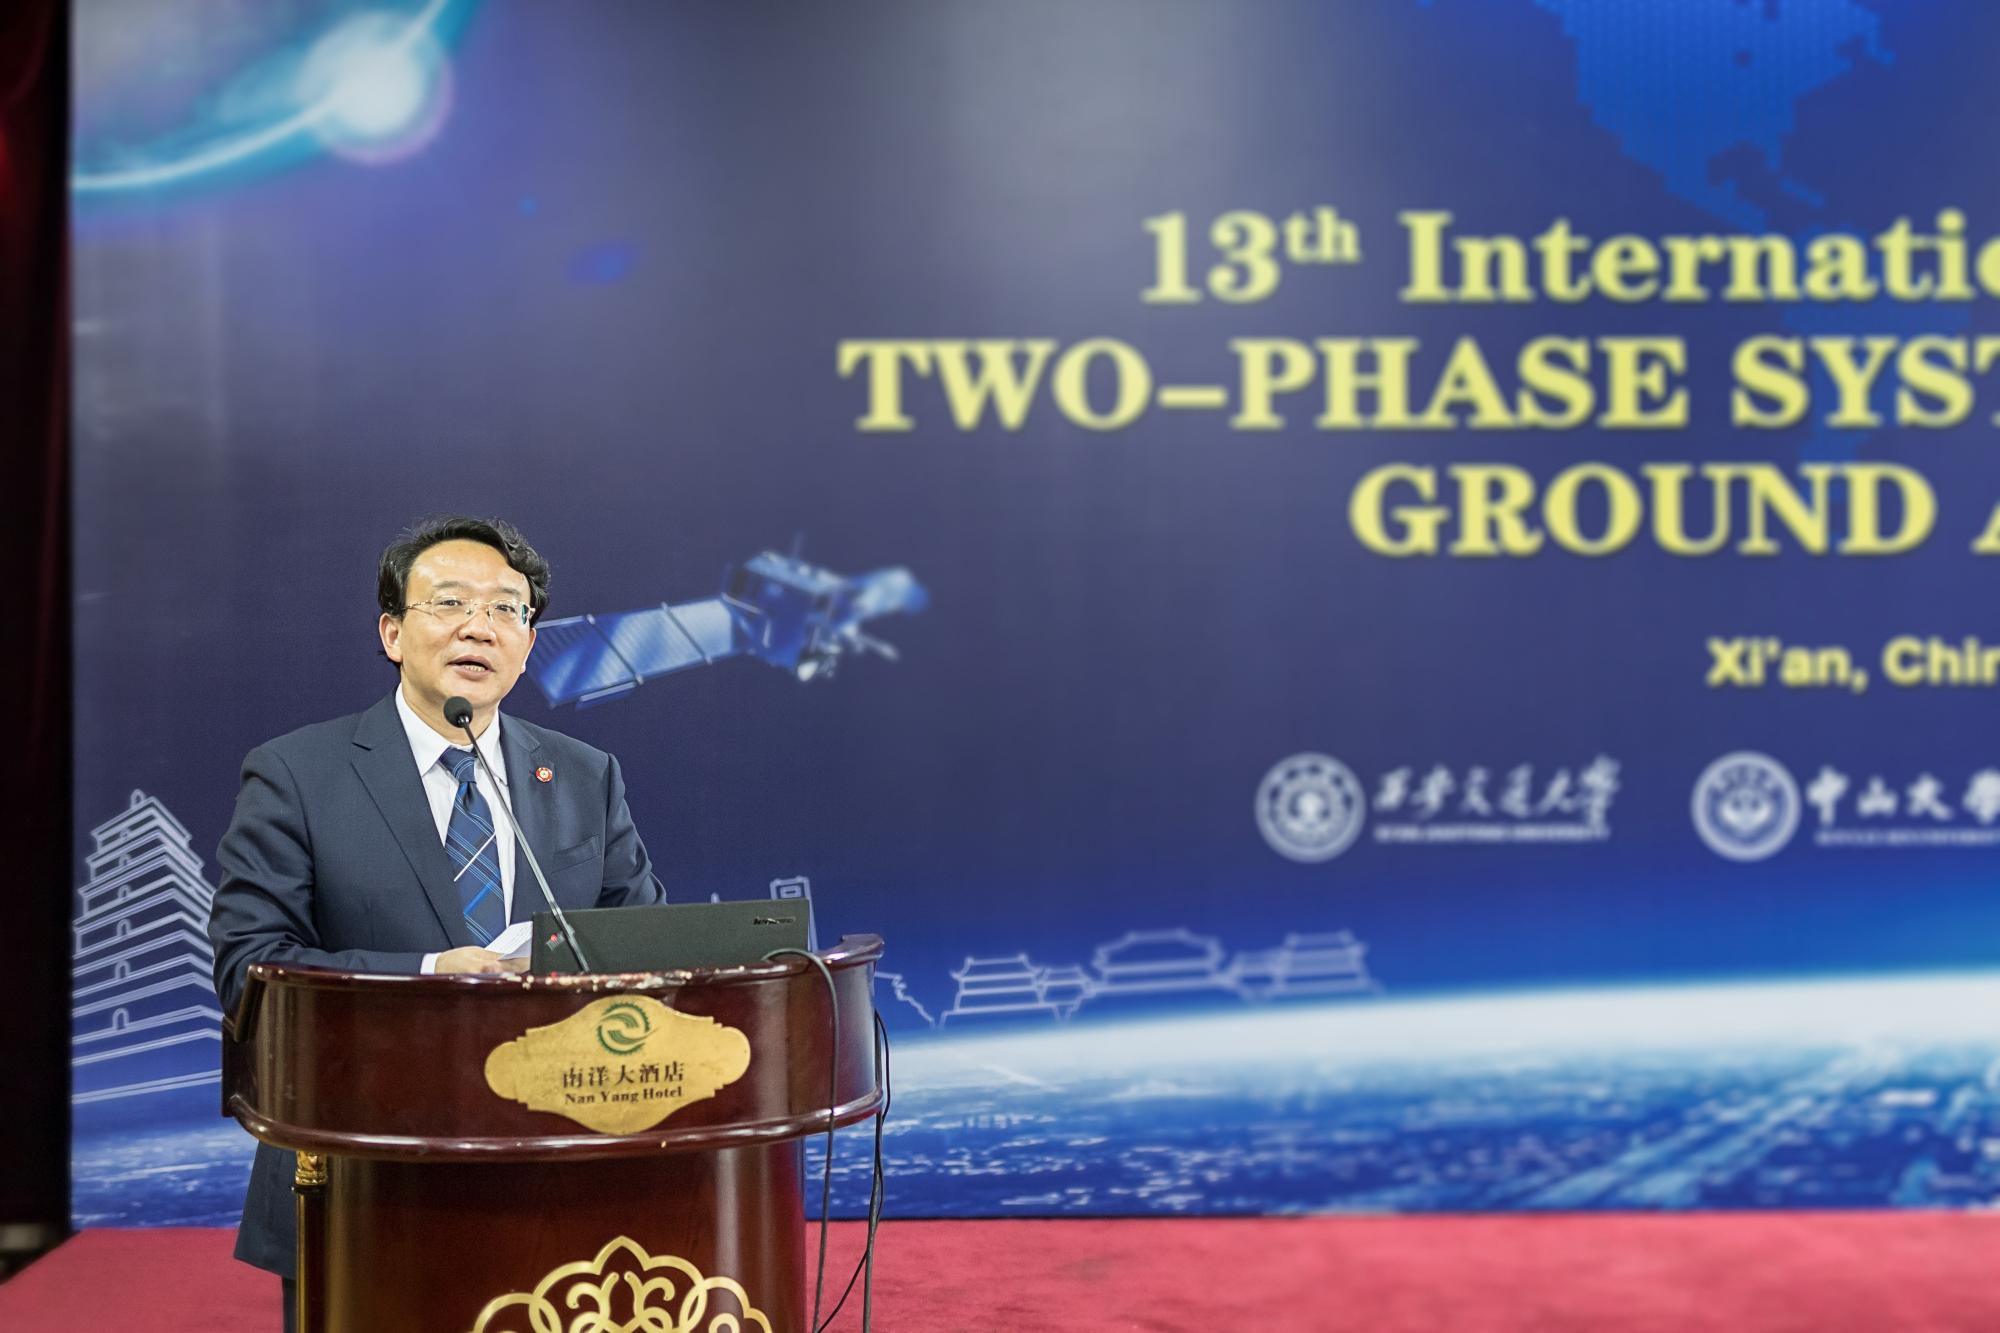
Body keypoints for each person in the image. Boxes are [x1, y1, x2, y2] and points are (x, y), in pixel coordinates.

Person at [207, 515, 662, 1329]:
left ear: (528, 645)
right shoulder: (297, 775)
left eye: (506, 610)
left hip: (560, 1176)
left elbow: (648, 949)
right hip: (361, 1175)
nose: (479, 627)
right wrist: (424, 976)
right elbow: (252, 968)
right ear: (392, 632)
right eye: (450, 602)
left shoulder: (584, 776)